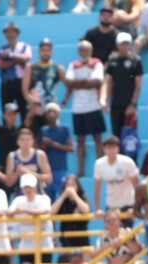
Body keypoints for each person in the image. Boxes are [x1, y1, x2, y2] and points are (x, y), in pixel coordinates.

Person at [63, 41, 105, 176]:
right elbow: (68, 81)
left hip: (93, 106)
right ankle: (81, 170)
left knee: (97, 138)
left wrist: (76, 84)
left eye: (86, 50)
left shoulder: (97, 63)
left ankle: (100, 169)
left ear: (91, 50)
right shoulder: (73, 64)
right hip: (78, 108)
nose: (84, 52)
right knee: (81, 140)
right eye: (82, 50)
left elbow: (96, 81)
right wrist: (86, 83)